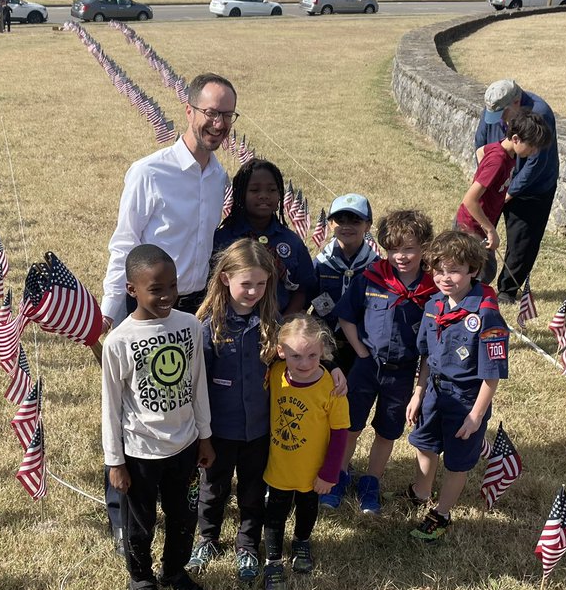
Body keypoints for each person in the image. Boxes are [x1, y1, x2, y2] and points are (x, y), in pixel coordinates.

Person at [100, 73, 235, 551]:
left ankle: (181, 501)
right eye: (211, 112)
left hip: (194, 304)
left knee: (178, 397)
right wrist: (112, 312)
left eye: (227, 115)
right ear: (189, 110)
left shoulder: (219, 175)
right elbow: (124, 245)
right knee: (131, 403)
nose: (218, 123)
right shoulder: (148, 171)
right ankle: (122, 514)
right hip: (148, 301)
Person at [101, 245, 216, 590]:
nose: (167, 295)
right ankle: (142, 579)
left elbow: (198, 384)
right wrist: (115, 462)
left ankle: (174, 572)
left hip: (184, 446)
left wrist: (205, 435)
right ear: (132, 289)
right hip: (140, 453)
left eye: (172, 286)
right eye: (156, 289)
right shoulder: (119, 341)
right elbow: (111, 406)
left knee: (183, 517)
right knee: (141, 522)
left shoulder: (190, 326)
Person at [330, 209, 437, 514]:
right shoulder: (372, 278)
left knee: (387, 431)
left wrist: (419, 389)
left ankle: (371, 482)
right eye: (393, 249)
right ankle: (339, 475)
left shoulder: (433, 291)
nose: (401, 256)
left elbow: (430, 348)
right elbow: (345, 315)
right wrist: (360, 351)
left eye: (409, 248)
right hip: (366, 367)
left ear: (424, 248)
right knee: (350, 425)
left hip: (402, 374)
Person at [406, 230, 510, 541]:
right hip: (434, 393)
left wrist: (476, 415)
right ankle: (422, 490)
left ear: (473, 271)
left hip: (467, 399)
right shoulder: (433, 304)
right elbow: (426, 355)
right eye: (439, 270)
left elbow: (492, 372)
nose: (445, 277)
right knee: (424, 443)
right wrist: (418, 392)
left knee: (457, 461)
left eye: (454, 270)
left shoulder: (487, 314)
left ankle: (442, 513)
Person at [188, 240, 280, 586]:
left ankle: (247, 544)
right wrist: (202, 432)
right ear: (225, 278)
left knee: (254, 490)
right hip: (219, 430)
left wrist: (330, 367)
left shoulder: (272, 323)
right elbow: (197, 384)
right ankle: (207, 539)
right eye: (247, 283)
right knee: (213, 487)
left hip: (258, 428)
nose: (254, 291)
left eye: (261, 283)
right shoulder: (207, 327)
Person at [263, 315, 349, 590]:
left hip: (313, 472)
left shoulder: (332, 388)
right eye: (296, 355)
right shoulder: (275, 374)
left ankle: (301, 542)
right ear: (281, 352)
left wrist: (330, 474)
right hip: (278, 468)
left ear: (323, 352)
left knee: (307, 509)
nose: (304, 363)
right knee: (274, 515)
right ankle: (273, 561)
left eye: (313, 355)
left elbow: (340, 433)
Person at [475, 79, 559, 303]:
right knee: (481, 230)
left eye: (504, 114)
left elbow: (536, 164)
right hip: (499, 180)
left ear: (516, 102)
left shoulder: (540, 113)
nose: (500, 120)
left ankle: (507, 290)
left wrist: (506, 192)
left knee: (522, 240)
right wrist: (487, 179)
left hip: (532, 188)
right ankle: (475, 283)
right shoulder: (495, 104)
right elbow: (480, 142)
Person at [456, 108, 552, 287]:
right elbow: (469, 200)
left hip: (481, 223)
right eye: (531, 146)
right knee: (480, 271)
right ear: (516, 139)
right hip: (471, 225)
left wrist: (480, 174)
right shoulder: (498, 161)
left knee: (484, 268)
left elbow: (481, 151)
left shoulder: (506, 151)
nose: (533, 151)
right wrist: (490, 230)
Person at [213, 158, 316, 316]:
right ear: (240, 195)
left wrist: (285, 322)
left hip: (278, 327)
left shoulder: (291, 242)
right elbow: (212, 287)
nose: (264, 196)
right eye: (254, 190)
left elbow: (304, 289)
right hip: (230, 327)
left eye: (272, 190)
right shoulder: (223, 239)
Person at [311, 193, 378, 373]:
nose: (347, 226)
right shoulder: (321, 264)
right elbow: (306, 297)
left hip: (360, 346)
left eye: (355, 221)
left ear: (368, 225)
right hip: (323, 344)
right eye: (340, 220)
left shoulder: (376, 267)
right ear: (331, 223)